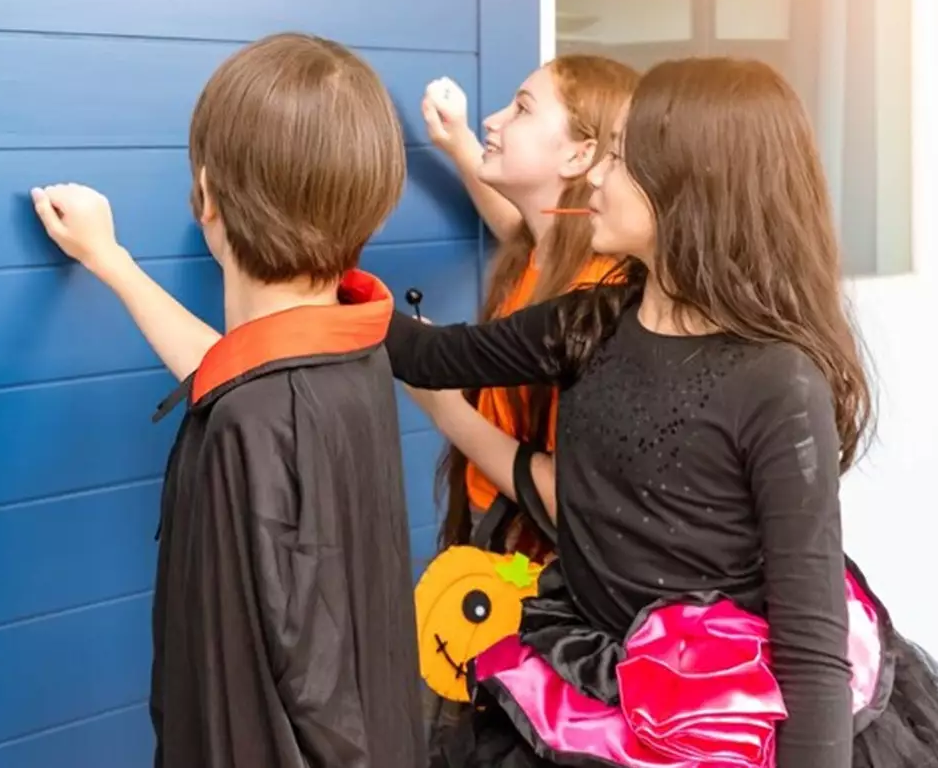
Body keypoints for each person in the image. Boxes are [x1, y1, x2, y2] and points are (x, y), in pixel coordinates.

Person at [382, 58, 938, 768]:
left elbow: (810, 648)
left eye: (618, 159)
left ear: (687, 189)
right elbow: (433, 358)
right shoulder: (589, 322)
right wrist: (325, 268)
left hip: (723, 722)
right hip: (593, 692)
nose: (598, 178)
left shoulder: (777, 382)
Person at [32, 33, 426, 768]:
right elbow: (236, 371)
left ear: (206, 196)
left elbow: (299, 698)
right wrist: (111, 263)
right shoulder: (352, 353)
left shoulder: (256, 421)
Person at [416, 57, 638, 564]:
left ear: (581, 154)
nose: (495, 120)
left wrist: (443, 404)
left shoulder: (596, 303)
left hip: (538, 574)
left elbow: (571, 499)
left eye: (521, 109)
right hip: (495, 536)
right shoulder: (542, 251)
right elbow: (516, 227)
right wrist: (459, 143)